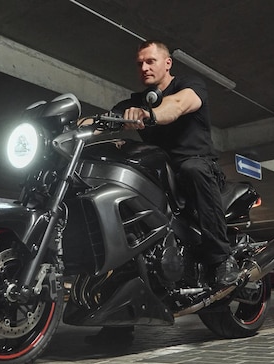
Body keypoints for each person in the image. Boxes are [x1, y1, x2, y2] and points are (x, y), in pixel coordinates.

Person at [85, 40, 235, 346]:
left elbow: (177, 106)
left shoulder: (190, 86)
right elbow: (100, 122)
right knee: (125, 214)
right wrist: (69, 127)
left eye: (150, 61)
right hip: (160, 172)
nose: (144, 68)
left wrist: (149, 114)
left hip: (194, 166)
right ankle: (119, 320)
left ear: (167, 63)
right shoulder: (135, 101)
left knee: (193, 170)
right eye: (140, 63)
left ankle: (222, 259)